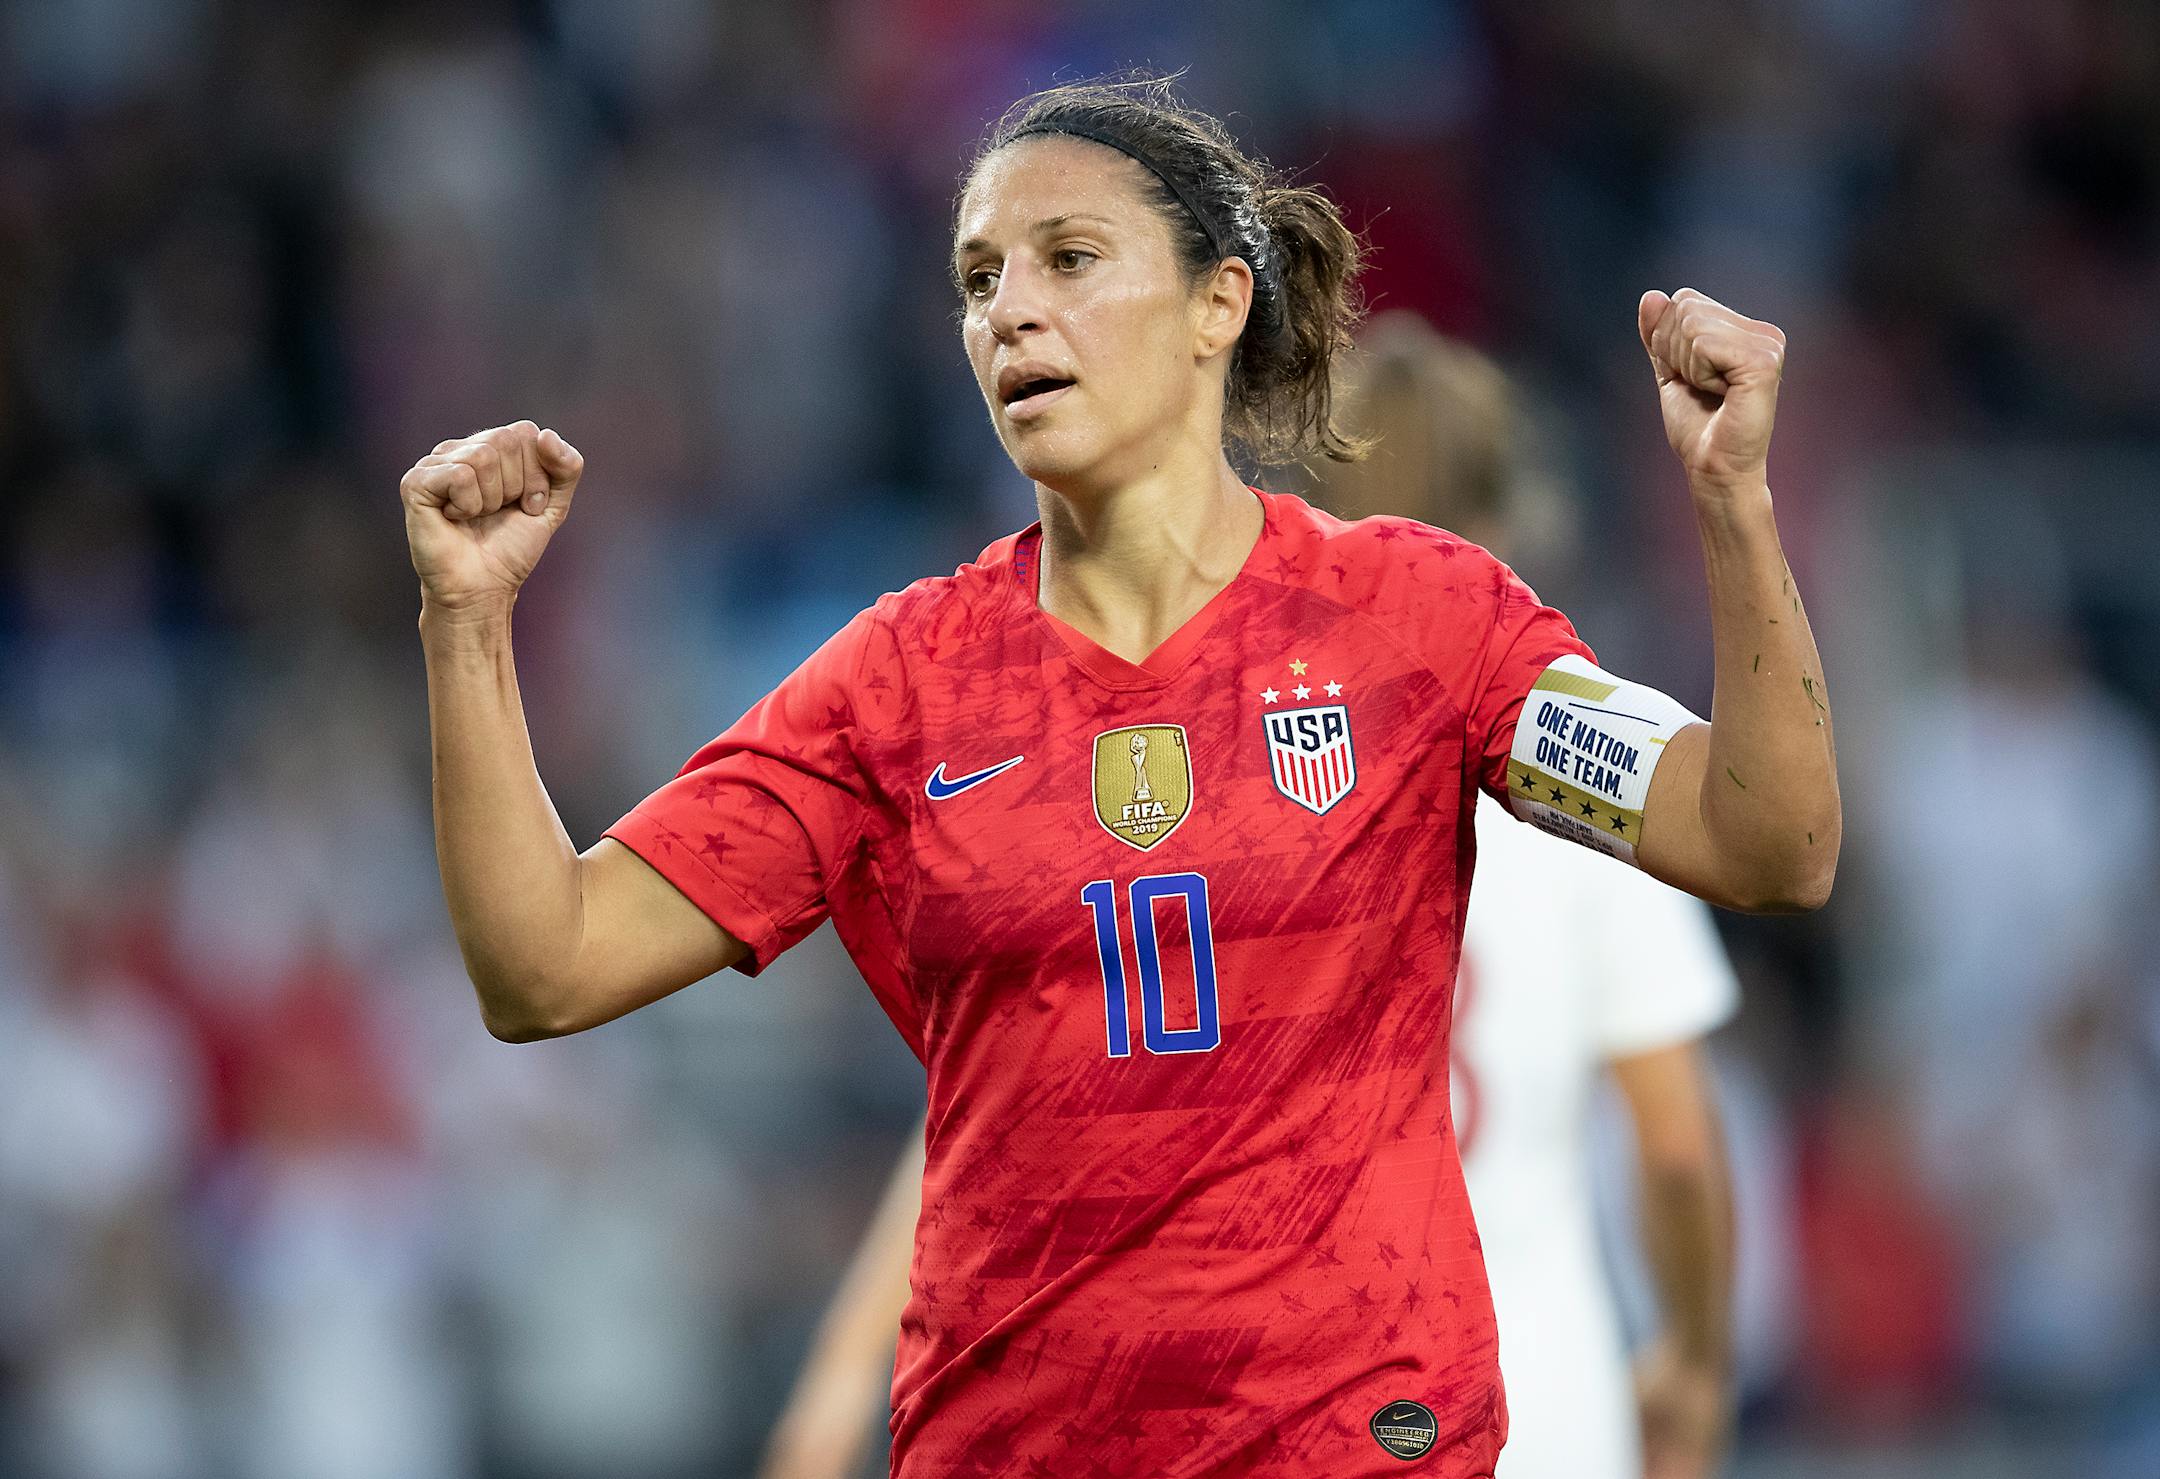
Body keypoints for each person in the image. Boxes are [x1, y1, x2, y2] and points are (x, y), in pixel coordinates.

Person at [399, 75, 1838, 1478]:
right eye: (977, 278)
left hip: (1355, 1437)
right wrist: (464, 625)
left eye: (1070, 259)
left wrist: (1732, 503)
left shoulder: (1423, 619)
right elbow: (548, 966)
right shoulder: (899, 682)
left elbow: (1767, 843)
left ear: (1220, 302)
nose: (1008, 310)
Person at [755, 316, 1742, 1479]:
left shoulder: (1236, 780)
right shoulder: (1585, 798)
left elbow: (1011, 1102)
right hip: (1533, 1405)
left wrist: (842, 1366)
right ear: (1508, 520)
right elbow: (1675, 1146)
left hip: (1289, 1397)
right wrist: (1692, 1360)